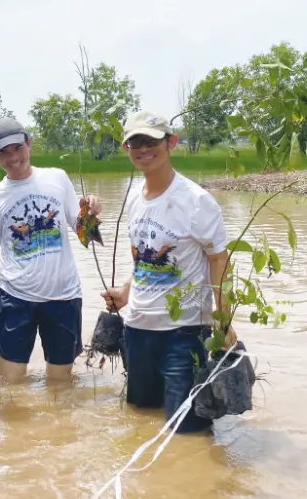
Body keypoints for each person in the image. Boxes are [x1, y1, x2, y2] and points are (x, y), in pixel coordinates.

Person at [99, 110, 234, 435]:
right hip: (137, 330)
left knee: (188, 431)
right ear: (126, 149)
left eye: (151, 141)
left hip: (184, 333)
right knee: (141, 419)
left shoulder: (196, 200)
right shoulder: (135, 199)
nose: (143, 149)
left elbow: (219, 260)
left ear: (171, 142)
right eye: (135, 143)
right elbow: (144, 259)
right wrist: (125, 292)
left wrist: (224, 320)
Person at [0, 118, 99, 382]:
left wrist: (90, 214)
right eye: (3, 152)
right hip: (15, 298)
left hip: (64, 297)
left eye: (18, 148)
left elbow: (82, 233)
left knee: (60, 386)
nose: (13, 158)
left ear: (29, 144)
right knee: (10, 388)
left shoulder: (57, 178)